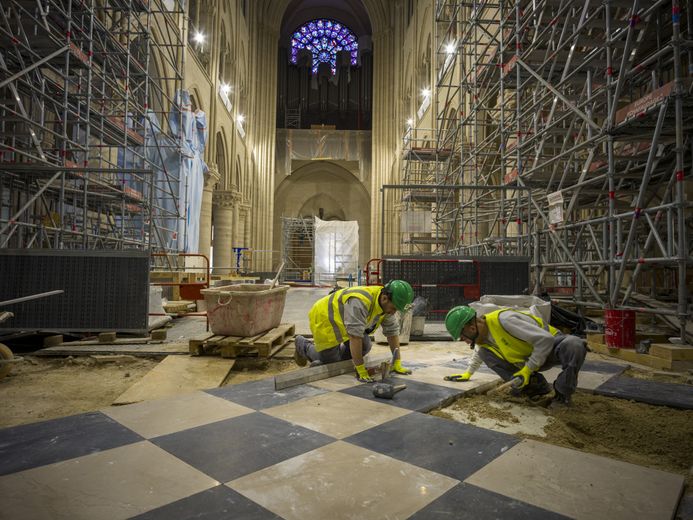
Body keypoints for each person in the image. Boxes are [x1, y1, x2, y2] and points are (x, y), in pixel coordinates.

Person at [444, 305, 588, 407]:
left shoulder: (505, 321)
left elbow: (545, 340)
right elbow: (479, 352)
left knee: (574, 345)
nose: (465, 341)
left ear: (472, 328)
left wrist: (528, 369)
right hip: (528, 357)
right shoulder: (482, 338)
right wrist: (468, 373)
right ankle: (535, 388)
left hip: (550, 347)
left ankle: (562, 396)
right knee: (484, 352)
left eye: (463, 337)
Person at [294, 280, 415, 383]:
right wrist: (360, 368)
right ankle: (303, 345)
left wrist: (397, 361)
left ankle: (330, 361)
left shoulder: (386, 303)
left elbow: (392, 332)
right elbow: (355, 336)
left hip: (347, 321)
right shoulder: (360, 301)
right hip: (326, 318)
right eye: (394, 308)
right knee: (331, 360)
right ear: (384, 298)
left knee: (365, 346)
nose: (394, 312)